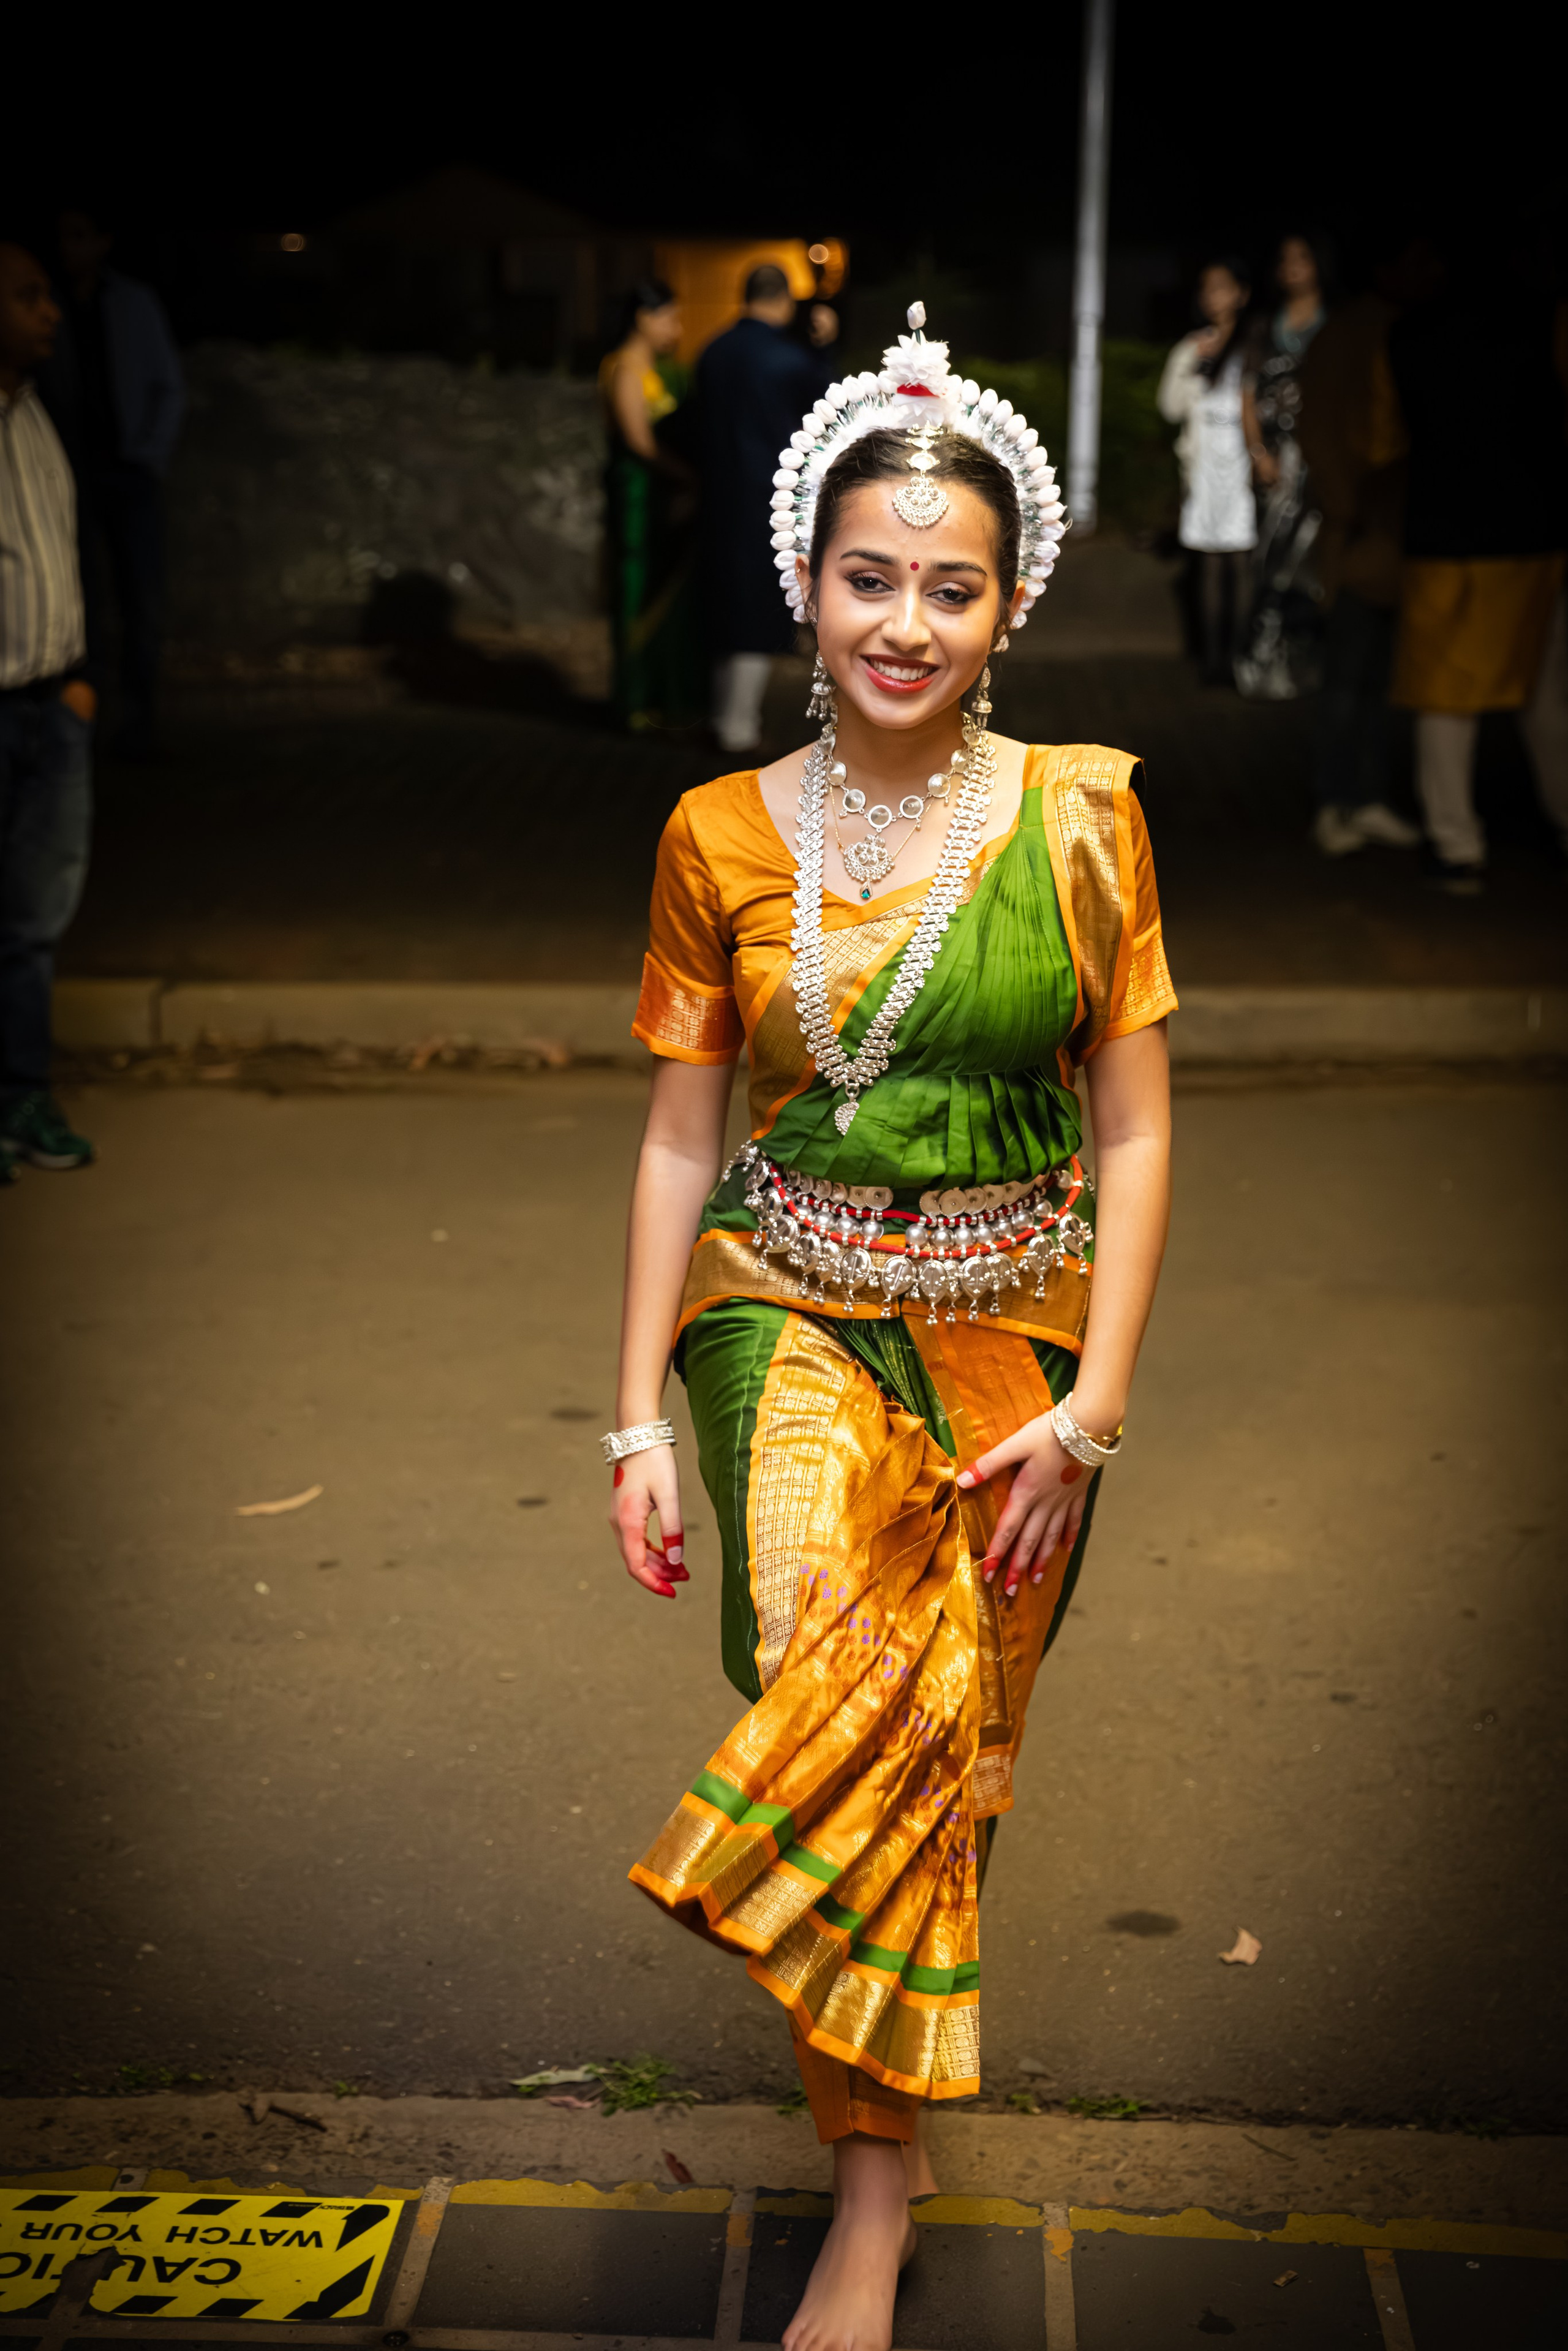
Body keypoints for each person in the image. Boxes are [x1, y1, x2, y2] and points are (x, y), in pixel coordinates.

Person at [608, 310, 1176, 2351]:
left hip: (1019, 1337)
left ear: (1006, 603)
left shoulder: (1091, 821)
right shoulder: (718, 837)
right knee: (826, 1652)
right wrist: (630, 1416)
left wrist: (1094, 1404)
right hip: (782, 1305)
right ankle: (866, 2199)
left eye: (950, 586)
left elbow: (1135, 1117)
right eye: (871, 578)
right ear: (808, 578)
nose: (905, 622)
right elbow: (682, 1137)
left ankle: (882, 2132)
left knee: (948, 1745)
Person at [1387, 241, 1568, 892]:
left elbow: (1379, 440)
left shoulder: (1407, 335)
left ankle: (1456, 844)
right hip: (1534, 536)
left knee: (1445, 703)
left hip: (1443, 538)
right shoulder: (1542, 319)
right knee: (1545, 697)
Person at [0, 241, 96, 1182]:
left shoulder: (40, 413)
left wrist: (78, 675)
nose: (51, 311)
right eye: (26, 297)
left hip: (48, 701)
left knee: (36, 918)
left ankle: (24, 1094)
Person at [1295, 240, 1427, 856]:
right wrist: (1351, 513)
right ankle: (1336, 800)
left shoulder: (1392, 328)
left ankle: (1365, 798)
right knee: (1347, 679)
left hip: (1390, 534)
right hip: (1359, 536)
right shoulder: (1352, 337)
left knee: (1377, 679)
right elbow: (1322, 434)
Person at [42, 209, 184, 760]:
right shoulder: (50, 304)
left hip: (127, 469)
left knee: (140, 600)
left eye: (80, 235)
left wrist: (147, 456)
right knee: (81, 602)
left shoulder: (130, 304)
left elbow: (166, 385)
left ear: (103, 242)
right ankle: (86, 717)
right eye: (63, 236)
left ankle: (139, 716)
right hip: (69, 474)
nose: (69, 247)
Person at [696, 262, 837, 755]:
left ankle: (718, 717)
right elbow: (831, 408)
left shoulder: (711, 352)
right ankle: (738, 729)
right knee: (757, 611)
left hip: (714, 498)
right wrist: (824, 345)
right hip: (770, 503)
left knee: (722, 606)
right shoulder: (789, 358)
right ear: (783, 300)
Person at [600, 279, 704, 730]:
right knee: (636, 590)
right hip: (638, 498)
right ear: (644, 318)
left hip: (662, 496)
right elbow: (639, 442)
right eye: (670, 318)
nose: (676, 329)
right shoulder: (624, 368)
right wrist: (689, 475)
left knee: (666, 595)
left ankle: (663, 696)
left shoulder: (662, 371)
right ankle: (634, 699)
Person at [1234, 233, 1330, 701]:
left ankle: (1309, 662)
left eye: (1303, 257)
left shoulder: (1338, 323)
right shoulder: (1264, 328)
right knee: (1272, 559)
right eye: (1285, 258)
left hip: (1325, 462)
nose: (1293, 266)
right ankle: (1261, 661)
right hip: (1279, 464)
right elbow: (1247, 394)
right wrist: (1257, 452)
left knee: (1314, 562)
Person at [1158, 258, 1256, 685]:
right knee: (1211, 563)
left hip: (1243, 464)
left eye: (1222, 287)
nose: (1213, 296)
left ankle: (1242, 658)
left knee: (1242, 562)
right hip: (1204, 466)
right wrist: (1191, 365)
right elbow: (1170, 406)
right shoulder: (1192, 346)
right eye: (1207, 288)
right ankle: (1213, 662)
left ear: (1241, 294)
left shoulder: (1255, 344)